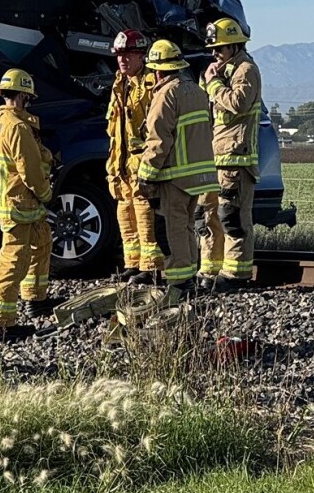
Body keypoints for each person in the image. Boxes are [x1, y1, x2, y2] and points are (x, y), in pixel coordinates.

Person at [136, 40, 219, 298]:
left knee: (171, 231)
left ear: (158, 71)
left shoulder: (165, 95)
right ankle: (190, 279)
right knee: (185, 228)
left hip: (174, 177)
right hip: (198, 177)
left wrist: (145, 176)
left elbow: (159, 141)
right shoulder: (196, 91)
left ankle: (179, 286)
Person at [0, 68, 55, 342]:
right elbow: (31, 171)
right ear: (24, 96)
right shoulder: (18, 128)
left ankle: (36, 299)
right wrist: (47, 193)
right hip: (18, 202)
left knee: (42, 240)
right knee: (14, 260)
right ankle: (0, 324)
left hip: (12, 199)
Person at [195, 19, 263, 291]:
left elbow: (238, 103)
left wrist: (213, 85)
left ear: (235, 46)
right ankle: (209, 270)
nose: (215, 55)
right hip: (214, 159)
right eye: (213, 50)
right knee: (207, 216)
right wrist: (206, 83)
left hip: (236, 159)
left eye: (219, 49)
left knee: (231, 218)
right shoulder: (222, 72)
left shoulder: (246, 70)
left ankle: (237, 274)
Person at [105, 29, 161, 283]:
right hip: (121, 164)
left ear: (141, 56)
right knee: (125, 214)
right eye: (119, 55)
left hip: (141, 163)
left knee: (143, 213)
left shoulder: (151, 84)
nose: (122, 60)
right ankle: (133, 264)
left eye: (128, 54)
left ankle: (149, 268)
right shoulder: (119, 84)